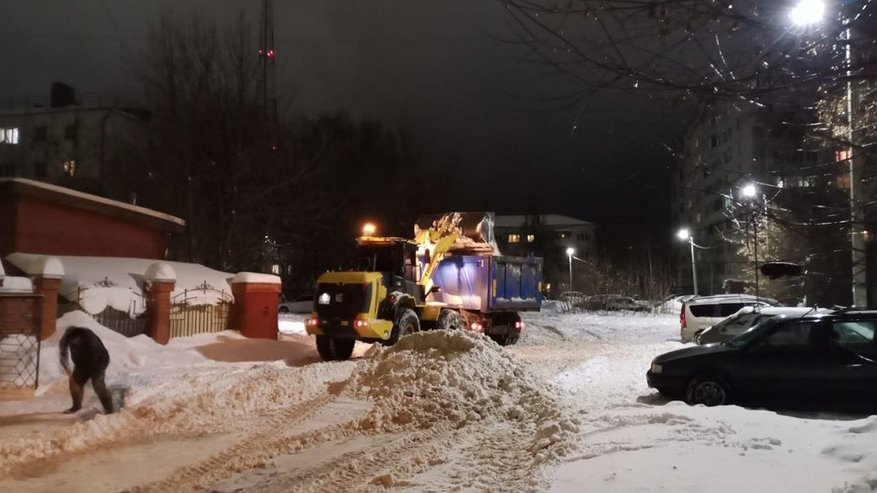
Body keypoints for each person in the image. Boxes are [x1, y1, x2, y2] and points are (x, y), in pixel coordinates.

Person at [58, 327, 114, 414]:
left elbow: (95, 356)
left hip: (99, 362)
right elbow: (62, 353)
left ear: (80, 337)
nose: (72, 345)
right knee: (74, 384)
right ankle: (76, 406)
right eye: (71, 343)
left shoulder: (90, 340)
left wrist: (92, 373)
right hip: (81, 364)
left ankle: (110, 410)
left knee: (98, 386)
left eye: (75, 342)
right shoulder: (66, 338)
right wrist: (66, 366)